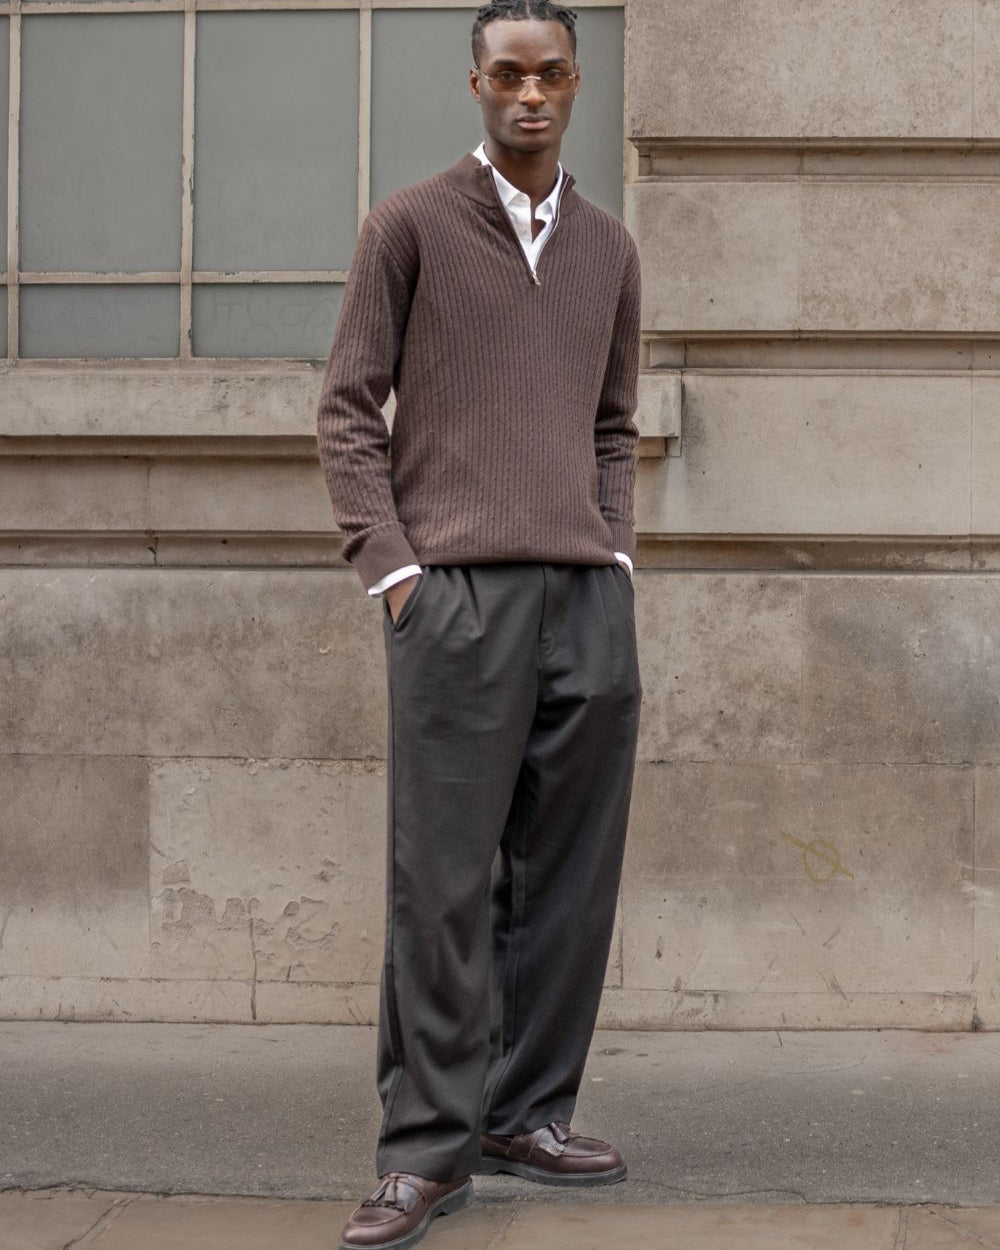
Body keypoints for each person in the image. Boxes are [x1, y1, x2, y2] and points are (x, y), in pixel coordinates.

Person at [316, 3, 642, 1246]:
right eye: (508, 74)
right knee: (441, 884)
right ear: (476, 85)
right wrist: (395, 571)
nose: (530, 94)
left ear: (576, 82)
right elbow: (347, 408)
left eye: (550, 73)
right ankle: (424, 1150)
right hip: (454, 597)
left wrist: (615, 551)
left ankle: (525, 1112)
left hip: (585, 597)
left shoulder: (608, 248)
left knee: (568, 878)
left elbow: (613, 424)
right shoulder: (405, 226)